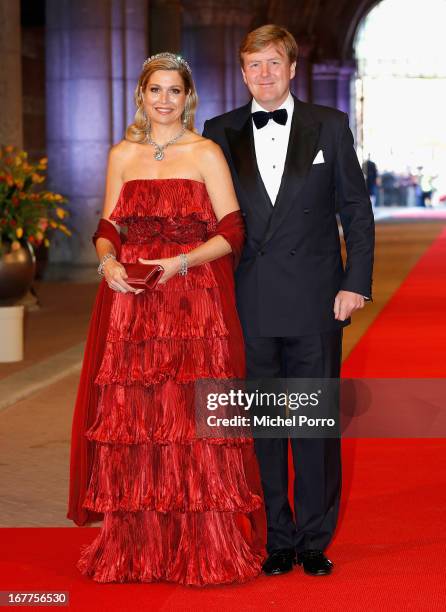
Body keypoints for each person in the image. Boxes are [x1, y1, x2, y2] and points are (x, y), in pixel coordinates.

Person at [67, 52, 266, 586]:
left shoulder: (204, 153)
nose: (164, 100)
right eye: (155, 90)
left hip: (193, 301)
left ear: (188, 98)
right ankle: (139, 550)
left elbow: (232, 231)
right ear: (141, 95)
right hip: (134, 305)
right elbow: (108, 225)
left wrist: (180, 262)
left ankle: (204, 548)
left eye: (174, 91)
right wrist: (107, 260)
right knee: (138, 424)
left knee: (191, 423)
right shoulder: (122, 155)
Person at [203, 25, 375, 576]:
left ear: (292, 68)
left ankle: (313, 539)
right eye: (254, 65)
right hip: (248, 300)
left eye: (274, 63)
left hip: (317, 300)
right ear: (243, 70)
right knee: (264, 426)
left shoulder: (329, 125)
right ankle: (277, 536)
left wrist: (356, 282)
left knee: (313, 425)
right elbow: (210, 218)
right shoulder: (218, 130)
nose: (264, 75)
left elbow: (356, 211)